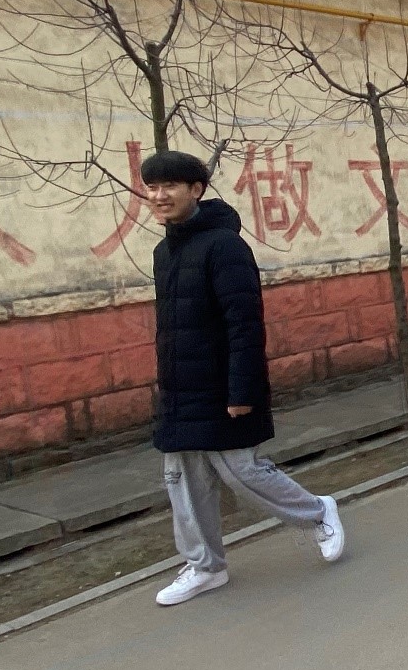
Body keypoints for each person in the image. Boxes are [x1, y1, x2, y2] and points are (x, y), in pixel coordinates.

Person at [143, 150, 345, 607]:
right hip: (181, 388)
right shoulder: (164, 252)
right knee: (183, 481)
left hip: (221, 386)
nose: (158, 195)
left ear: (196, 190)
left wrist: (243, 390)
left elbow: (244, 324)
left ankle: (317, 512)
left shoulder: (225, 246)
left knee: (243, 471)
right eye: (152, 187)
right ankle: (205, 567)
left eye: (169, 186)